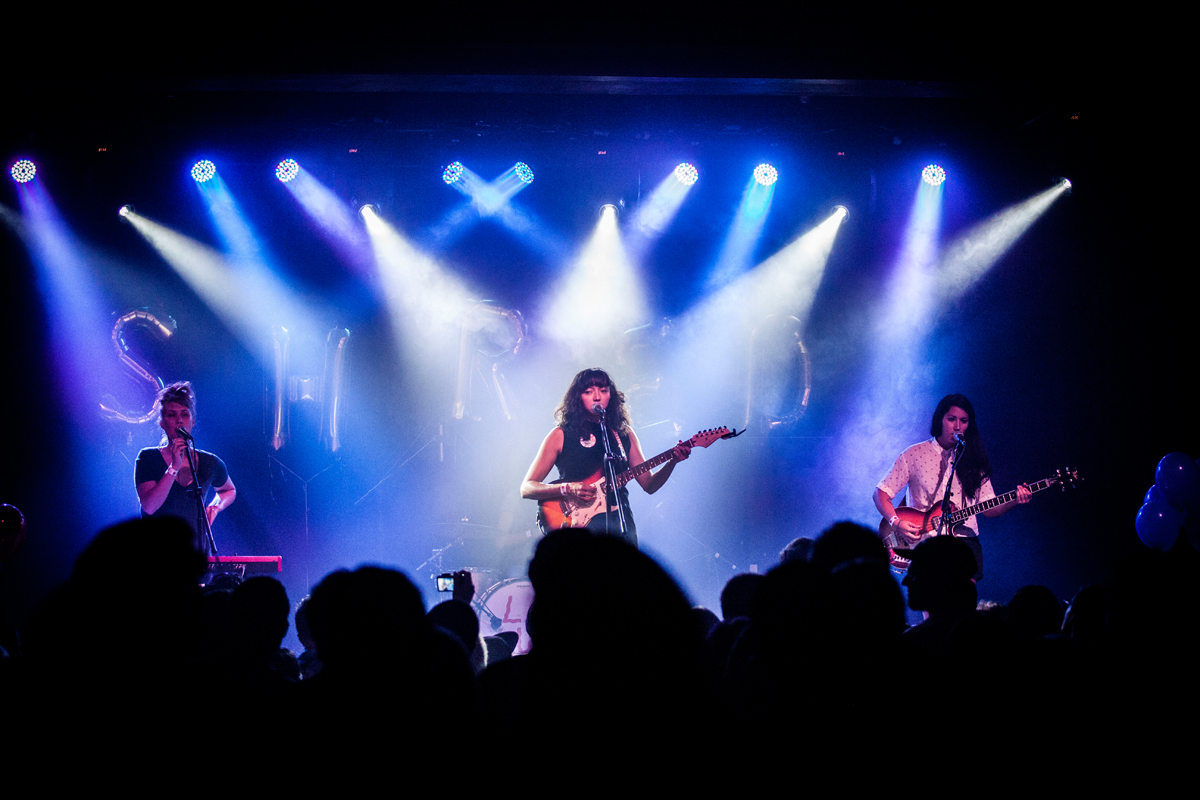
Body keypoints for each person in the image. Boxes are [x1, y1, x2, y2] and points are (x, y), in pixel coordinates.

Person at [521, 368, 690, 548]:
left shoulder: (624, 434)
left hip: (621, 523)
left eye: (603, 390)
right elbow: (527, 488)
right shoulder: (561, 435)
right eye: (588, 392)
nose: (597, 397)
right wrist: (567, 488)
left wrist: (673, 461)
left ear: (611, 396)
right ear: (578, 398)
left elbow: (649, 485)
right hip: (579, 529)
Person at [872, 393, 1029, 580]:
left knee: (963, 602)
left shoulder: (975, 460)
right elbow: (881, 493)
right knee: (930, 600)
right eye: (951, 419)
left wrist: (1014, 500)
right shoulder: (913, 454)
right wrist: (896, 522)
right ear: (940, 419)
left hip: (965, 542)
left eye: (964, 421)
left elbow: (989, 508)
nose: (957, 426)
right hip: (926, 541)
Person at [135, 381, 236, 554]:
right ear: (162, 423)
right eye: (171, 415)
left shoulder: (209, 462)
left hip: (194, 556)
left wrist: (215, 508)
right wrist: (173, 467)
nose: (179, 420)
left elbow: (229, 490)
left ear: (193, 421)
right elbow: (150, 506)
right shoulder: (147, 458)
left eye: (185, 414)